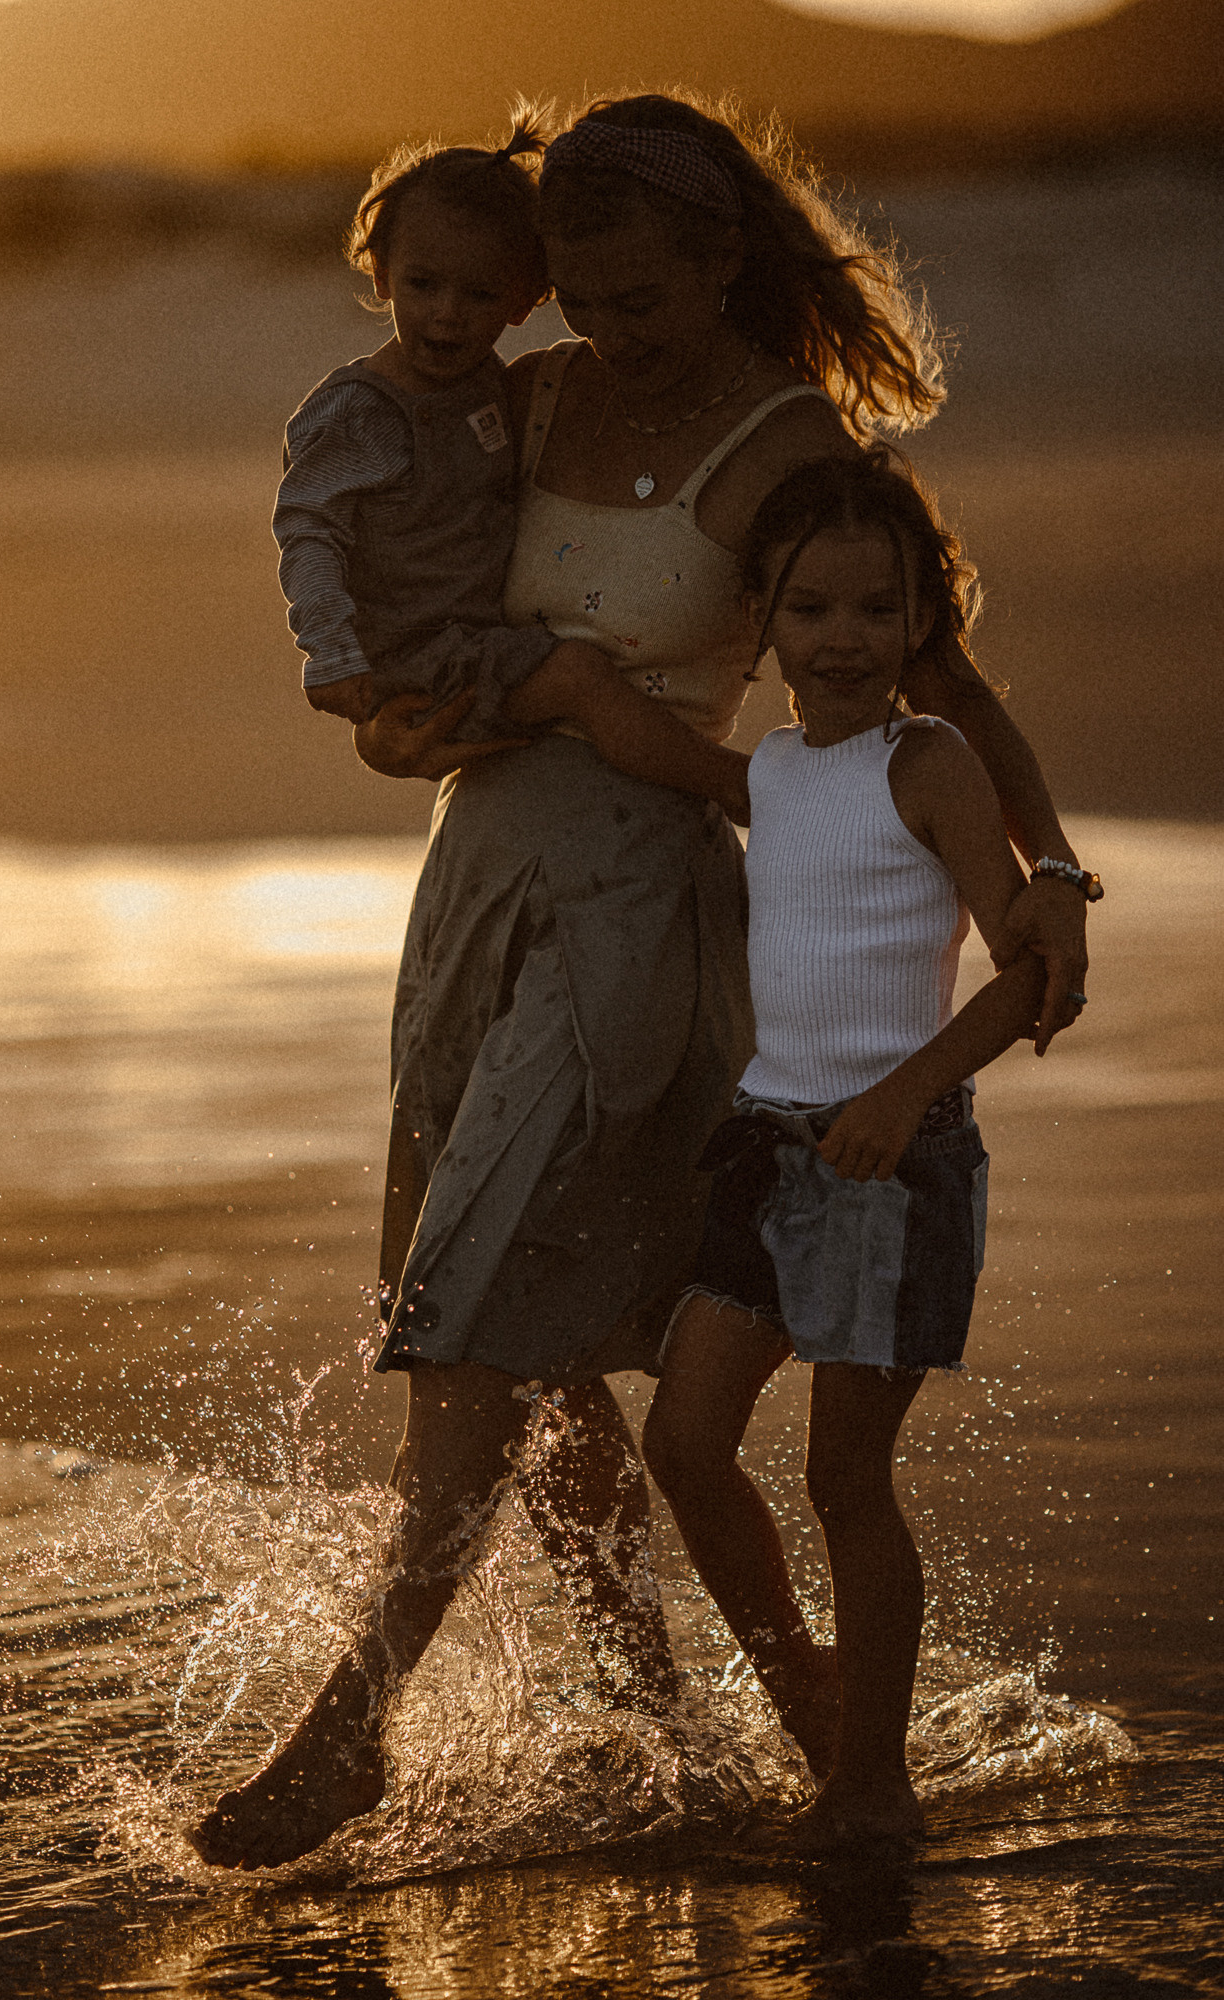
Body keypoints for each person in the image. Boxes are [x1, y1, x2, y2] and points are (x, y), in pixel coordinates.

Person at [189, 94, 1091, 1873]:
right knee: (549, 1353)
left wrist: (1044, 875)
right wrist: (402, 709)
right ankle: (699, 1721)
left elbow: (944, 683)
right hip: (479, 888)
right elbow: (425, 592)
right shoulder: (525, 399)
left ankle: (354, 1726)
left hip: (637, 920)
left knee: (473, 1320)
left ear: (720, 256)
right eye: (577, 297)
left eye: (635, 296)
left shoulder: (780, 448)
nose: (601, 331)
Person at [643, 450, 1089, 1850]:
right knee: (686, 1439)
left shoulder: (931, 763)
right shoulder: (772, 769)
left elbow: (1024, 972)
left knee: (846, 1480)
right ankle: (826, 1697)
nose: (840, 640)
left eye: (873, 612)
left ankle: (870, 1788)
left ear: (917, 626)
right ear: (761, 623)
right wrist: (545, 694)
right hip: (770, 1156)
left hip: (895, 1164)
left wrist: (903, 1095)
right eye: (809, 611)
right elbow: (664, 756)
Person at [281, 117, 748, 813]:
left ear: (527, 299)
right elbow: (309, 532)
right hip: (418, 654)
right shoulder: (362, 413)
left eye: (478, 295)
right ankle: (747, 794)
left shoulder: (502, 389)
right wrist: (331, 654)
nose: (446, 315)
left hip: (477, 642)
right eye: (423, 285)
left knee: (578, 673)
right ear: (380, 275)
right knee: (580, 677)